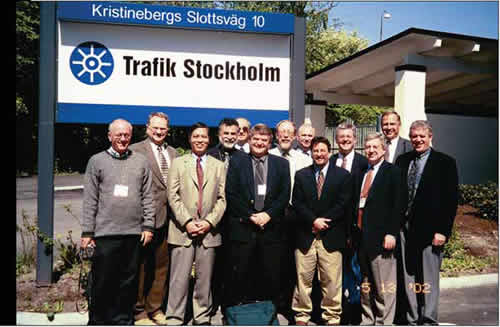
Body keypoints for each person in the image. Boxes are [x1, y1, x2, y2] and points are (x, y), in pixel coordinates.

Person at [81, 118, 155, 325]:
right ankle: (98, 321)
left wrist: (148, 225)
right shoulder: (96, 161)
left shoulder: (140, 161)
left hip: (133, 234)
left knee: (128, 283)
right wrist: (87, 233)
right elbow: (90, 200)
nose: (123, 138)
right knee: (103, 282)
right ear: (110, 136)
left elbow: (148, 196)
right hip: (105, 234)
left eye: (126, 135)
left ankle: (122, 320)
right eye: (118, 135)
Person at [395, 120, 458, 325]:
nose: (418, 140)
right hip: (405, 229)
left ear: (430, 137)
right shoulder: (403, 160)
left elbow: (450, 200)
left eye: (422, 136)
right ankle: (412, 317)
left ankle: (429, 318)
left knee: (428, 278)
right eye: (414, 136)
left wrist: (443, 231)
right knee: (409, 275)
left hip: (431, 231)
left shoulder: (445, 162)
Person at [165, 122, 227, 325]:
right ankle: (175, 316)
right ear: (190, 139)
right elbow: (172, 196)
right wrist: (188, 221)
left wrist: (209, 222)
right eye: (196, 136)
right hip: (183, 230)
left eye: (204, 137)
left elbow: (222, 199)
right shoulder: (178, 163)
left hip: (209, 232)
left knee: (204, 278)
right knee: (179, 279)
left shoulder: (218, 166)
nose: (200, 140)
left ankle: (202, 316)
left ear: (209, 140)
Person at [224, 123, 291, 308]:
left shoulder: (282, 164)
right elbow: (231, 193)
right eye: (256, 139)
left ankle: (267, 313)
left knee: (269, 275)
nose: (259, 143)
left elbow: (284, 194)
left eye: (264, 140)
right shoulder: (237, 162)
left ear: (270, 142)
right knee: (241, 275)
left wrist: (268, 215)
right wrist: (250, 216)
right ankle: (240, 313)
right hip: (244, 228)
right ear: (249, 140)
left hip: (271, 230)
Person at [291, 136, 353, 326]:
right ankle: (302, 316)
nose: (319, 154)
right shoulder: (301, 175)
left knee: (332, 281)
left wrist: (324, 221)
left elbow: (343, 204)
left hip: (331, 235)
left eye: (322, 151)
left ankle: (332, 317)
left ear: (329, 152)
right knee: (303, 280)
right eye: (315, 151)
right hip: (306, 236)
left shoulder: (342, 176)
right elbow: (298, 203)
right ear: (311, 152)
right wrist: (313, 220)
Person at [128, 112, 177, 325]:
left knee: (161, 267)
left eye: (163, 128)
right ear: (147, 128)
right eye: (155, 128)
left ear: (168, 130)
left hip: (170, 220)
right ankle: (138, 311)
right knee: (141, 268)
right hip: (145, 220)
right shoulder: (135, 151)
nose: (159, 132)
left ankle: (155, 308)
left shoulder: (173, 152)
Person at [356, 132, 403, 325]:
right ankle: (368, 320)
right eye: (368, 147)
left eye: (376, 147)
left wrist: (391, 232)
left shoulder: (392, 172)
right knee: (366, 285)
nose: (371, 150)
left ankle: (384, 322)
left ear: (384, 150)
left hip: (382, 239)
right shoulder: (364, 173)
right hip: (362, 239)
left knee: (383, 287)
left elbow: (399, 205)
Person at [269, 120, 312, 318]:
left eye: (289, 132)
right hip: (273, 217)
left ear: (294, 136)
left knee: (294, 264)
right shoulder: (268, 156)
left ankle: (290, 304)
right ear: (276, 135)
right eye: (281, 132)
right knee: (274, 260)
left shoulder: (303, 159)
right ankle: (273, 303)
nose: (285, 136)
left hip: (296, 217)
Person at [330, 123, 368, 325]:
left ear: (355, 140)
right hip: (333, 228)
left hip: (354, 229)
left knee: (355, 272)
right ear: (336, 140)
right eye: (341, 137)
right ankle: (338, 312)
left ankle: (354, 313)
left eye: (348, 137)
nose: (344, 140)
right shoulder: (330, 161)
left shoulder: (363, 163)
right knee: (336, 274)